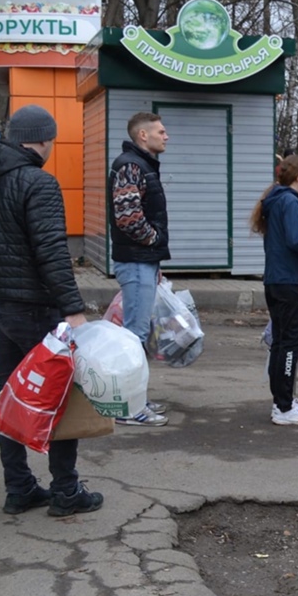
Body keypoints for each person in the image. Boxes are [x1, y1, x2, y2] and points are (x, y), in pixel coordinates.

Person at [0, 105, 101, 516]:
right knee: (57, 395)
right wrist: (74, 311)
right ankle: (66, 492)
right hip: (35, 309)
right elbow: (53, 252)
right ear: (41, 140)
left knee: (11, 396)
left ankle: (19, 488)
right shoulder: (38, 183)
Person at [108, 111, 171, 427]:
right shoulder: (131, 165)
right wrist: (154, 240)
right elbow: (129, 218)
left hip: (142, 260)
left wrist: (154, 258)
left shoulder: (141, 165)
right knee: (134, 336)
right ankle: (128, 408)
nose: (166, 135)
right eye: (161, 131)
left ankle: (136, 399)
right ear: (142, 135)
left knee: (137, 334)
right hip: (135, 260)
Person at [252, 155, 298, 426]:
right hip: (290, 282)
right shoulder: (289, 202)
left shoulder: (274, 200)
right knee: (290, 345)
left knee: (281, 344)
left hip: (275, 281)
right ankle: (284, 407)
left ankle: (281, 403)